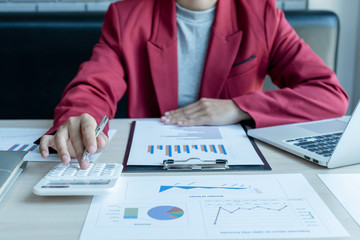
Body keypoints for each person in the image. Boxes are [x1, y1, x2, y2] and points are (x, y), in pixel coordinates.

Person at [39, 0, 349, 169]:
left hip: (235, 164)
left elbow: (328, 94)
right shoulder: (126, 14)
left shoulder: (263, 14)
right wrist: (80, 118)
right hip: (150, 162)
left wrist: (237, 107)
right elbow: (95, 84)